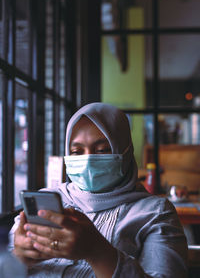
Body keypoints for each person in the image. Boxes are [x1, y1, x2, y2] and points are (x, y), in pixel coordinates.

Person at [9, 102, 188, 278]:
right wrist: (19, 257)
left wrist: (97, 251)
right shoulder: (47, 200)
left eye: (102, 150)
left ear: (125, 152)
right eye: (77, 152)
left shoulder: (155, 213)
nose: (88, 160)